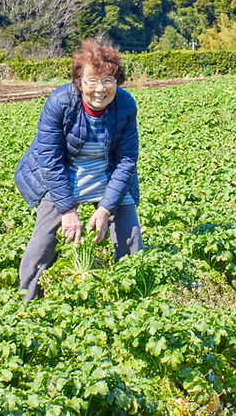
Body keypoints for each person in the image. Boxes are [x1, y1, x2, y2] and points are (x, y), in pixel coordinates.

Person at [15, 39, 143, 300]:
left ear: (117, 81)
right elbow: (49, 158)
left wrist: (106, 207)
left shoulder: (126, 105)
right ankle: (26, 302)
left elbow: (127, 160)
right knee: (43, 242)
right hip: (63, 174)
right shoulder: (60, 102)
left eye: (108, 80)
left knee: (131, 238)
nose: (100, 89)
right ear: (79, 83)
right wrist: (67, 209)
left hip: (106, 174)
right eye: (92, 81)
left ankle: (132, 300)